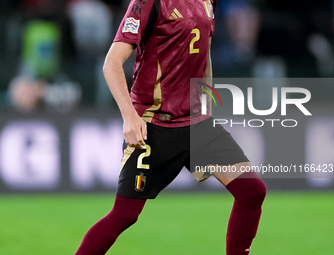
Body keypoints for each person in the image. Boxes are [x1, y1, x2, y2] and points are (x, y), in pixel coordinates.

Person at [75, 0, 266, 254]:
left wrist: (205, 103)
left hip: (197, 124)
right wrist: (129, 116)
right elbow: (111, 63)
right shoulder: (148, 3)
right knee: (125, 215)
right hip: (154, 125)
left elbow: (201, 53)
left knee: (252, 192)